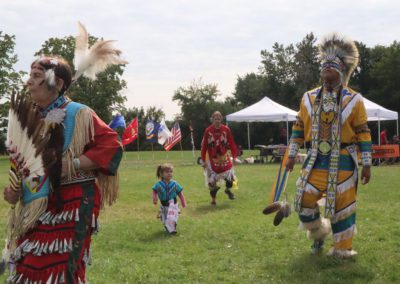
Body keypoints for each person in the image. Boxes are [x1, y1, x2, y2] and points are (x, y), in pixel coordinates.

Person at [2, 24, 126, 283]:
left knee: (60, 272)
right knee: (29, 270)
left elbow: (112, 147)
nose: (29, 81)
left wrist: (74, 163)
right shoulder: (29, 120)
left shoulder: (78, 113)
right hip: (35, 208)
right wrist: (14, 191)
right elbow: (23, 166)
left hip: (71, 202)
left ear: (56, 83)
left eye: (37, 75)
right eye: (30, 74)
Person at [286, 33, 372, 259]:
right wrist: (292, 155)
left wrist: (367, 164)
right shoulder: (308, 98)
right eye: (323, 65)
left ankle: (342, 250)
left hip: (343, 159)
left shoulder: (354, 100)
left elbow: (363, 132)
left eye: (331, 65)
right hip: (315, 159)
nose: (325, 69)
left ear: (341, 70)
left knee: (342, 207)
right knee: (303, 200)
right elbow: (297, 127)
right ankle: (318, 234)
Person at [201, 111, 238, 205]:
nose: (217, 120)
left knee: (230, 178)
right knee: (212, 183)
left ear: (221, 119)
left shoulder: (226, 129)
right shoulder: (208, 130)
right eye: (215, 118)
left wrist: (234, 156)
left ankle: (228, 190)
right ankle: (213, 200)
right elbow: (204, 146)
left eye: (219, 118)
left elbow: (232, 143)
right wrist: (203, 160)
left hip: (224, 156)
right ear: (212, 119)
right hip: (213, 158)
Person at [152, 163, 186, 234]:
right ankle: (168, 227)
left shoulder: (175, 184)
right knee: (165, 219)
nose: (169, 173)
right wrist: (154, 199)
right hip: (164, 205)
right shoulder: (159, 184)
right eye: (167, 172)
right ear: (161, 174)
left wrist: (183, 202)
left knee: (173, 217)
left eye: (171, 172)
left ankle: (173, 229)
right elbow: (154, 191)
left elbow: (180, 193)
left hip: (173, 204)